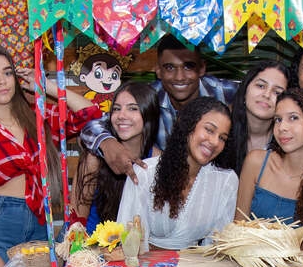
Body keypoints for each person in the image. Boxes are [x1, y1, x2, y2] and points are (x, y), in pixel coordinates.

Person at [0, 41, 100, 267]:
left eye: (7, 73)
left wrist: (46, 87)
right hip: (0, 223)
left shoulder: (37, 119)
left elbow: (91, 115)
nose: (2, 81)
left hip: (40, 219)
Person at [79, 36, 238, 186]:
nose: (179, 77)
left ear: (202, 68)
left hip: (214, 185)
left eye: (188, 66)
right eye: (170, 67)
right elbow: (94, 126)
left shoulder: (224, 92)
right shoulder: (150, 97)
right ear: (158, 71)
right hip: (163, 185)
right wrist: (107, 143)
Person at [116, 98, 237, 250]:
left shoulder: (226, 181)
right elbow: (128, 243)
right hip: (143, 263)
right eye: (209, 130)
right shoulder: (144, 173)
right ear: (188, 125)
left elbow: (216, 247)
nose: (215, 142)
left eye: (222, 138)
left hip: (198, 264)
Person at [235, 88, 303, 250]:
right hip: (245, 259)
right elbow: (237, 229)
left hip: (295, 265)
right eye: (278, 119)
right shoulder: (256, 162)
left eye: (293, 118)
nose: (282, 127)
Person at [75, 83, 161, 231]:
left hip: (136, 242)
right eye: (116, 109)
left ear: (149, 114)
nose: (121, 115)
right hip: (90, 241)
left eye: (132, 108)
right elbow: (77, 222)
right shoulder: (93, 158)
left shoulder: (156, 160)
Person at [226, 61, 291, 171]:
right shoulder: (222, 131)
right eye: (261, 86)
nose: (266, 95)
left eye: (277, 92)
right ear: (245, 89)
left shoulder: (288, 143)